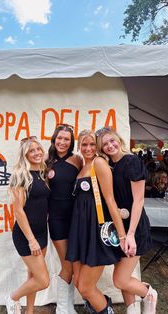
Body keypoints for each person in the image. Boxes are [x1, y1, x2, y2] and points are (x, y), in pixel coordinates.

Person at [96, 127, 157, 314]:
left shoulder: (131, 161)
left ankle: (148, 293)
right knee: (124, 274)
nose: (110, 145)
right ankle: (133, 310)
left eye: (112, 141)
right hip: (118, 227)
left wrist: (130, 234)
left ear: (119, 140)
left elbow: (138, 200)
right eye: (105, 144)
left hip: (134, 227)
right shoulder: (110, 166)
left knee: (120, 279)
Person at [66, 129, 126, 314]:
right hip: (79, 229)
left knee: (85, 287)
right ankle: (101, 304)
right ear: (79, 146)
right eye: (84, 144)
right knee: (77, 282)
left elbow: (110, 200)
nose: (88, 148)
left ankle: (106, 310)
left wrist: (122, 236)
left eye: (92, 144)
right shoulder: (82, 165)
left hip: (94, 229)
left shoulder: (99, 163)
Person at [6, 137, 50, 314]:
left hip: (42, 232)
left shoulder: (41, 172)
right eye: (31, 151)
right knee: (43, 280)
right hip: (26, 235)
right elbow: (19, 211)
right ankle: (12, 298)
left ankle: (29, 311)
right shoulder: (20, 175)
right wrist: (31, 240)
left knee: (32, 275)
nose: (37, 153)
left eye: (38, 149)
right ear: (25, 154)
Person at [46, 123, 82, 314]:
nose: (62, 142)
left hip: (75, 218)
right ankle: (62, 307)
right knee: (67, 261)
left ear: (71, 142)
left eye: (66, 139)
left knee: (74, 260)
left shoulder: (77, 160)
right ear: (54, 139)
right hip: (57, 219)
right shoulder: (46, 160)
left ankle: (66, 306)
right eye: (59, 138)